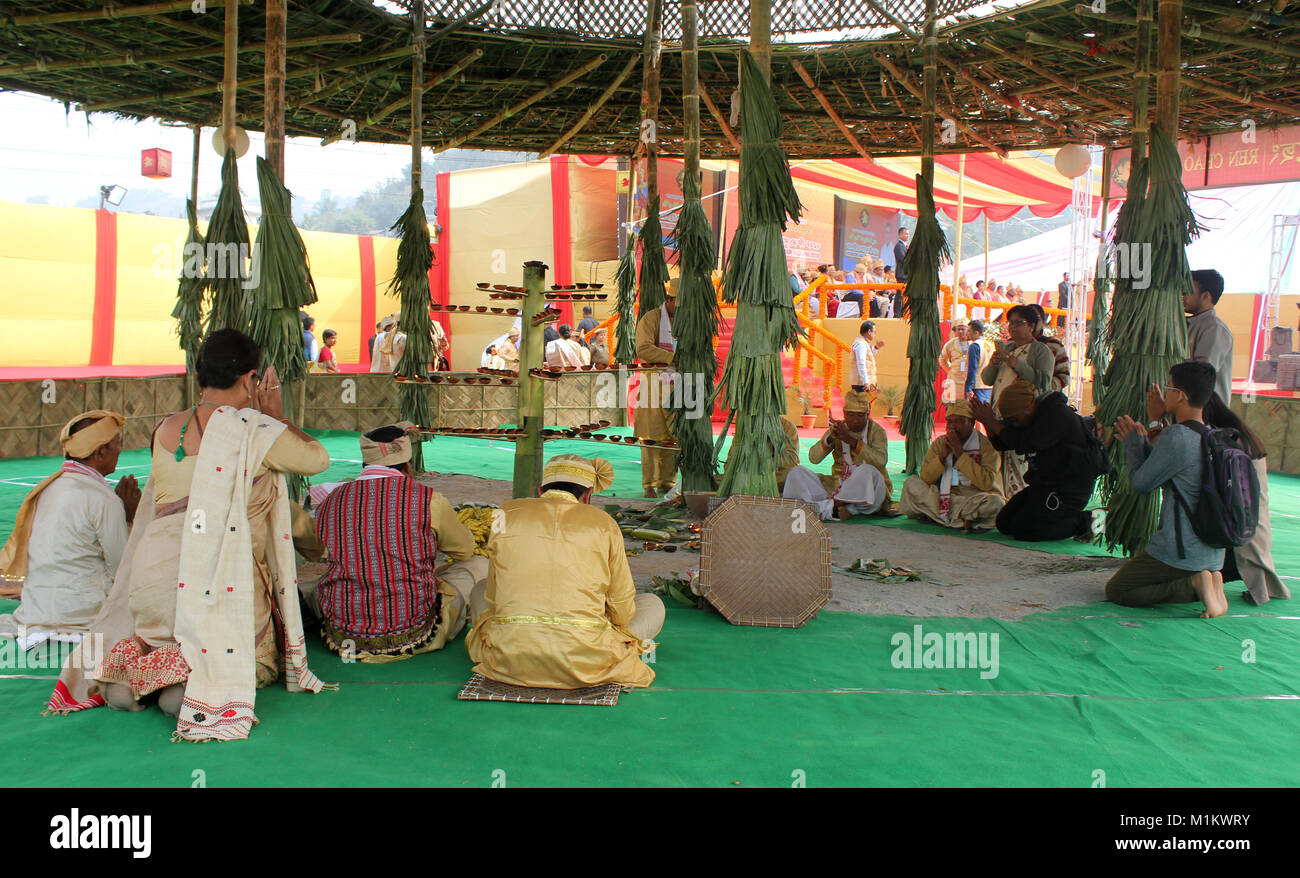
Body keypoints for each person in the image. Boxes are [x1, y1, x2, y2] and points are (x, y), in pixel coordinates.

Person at [50, 330, 330, 734]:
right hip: (209, 581)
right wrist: (276, 416)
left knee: (165, 636)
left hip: (152, 583)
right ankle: (186, 689)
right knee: (249, 658)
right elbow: (316, 459)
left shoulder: (165, 429)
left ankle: (138, 677)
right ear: (250, 379)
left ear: (199, 374)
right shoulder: (253, 429)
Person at [467, 454, 664, 689]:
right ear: (588, 494)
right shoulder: (604, 522)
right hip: (587, 660)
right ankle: (607, 651)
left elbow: (494, 598)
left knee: (479, 587)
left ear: (541, 490)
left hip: (508, 656)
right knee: (652, 604)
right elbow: (621, 607)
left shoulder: (504, 513)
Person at [312, 423, 487, 662]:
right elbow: (463, 551)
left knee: (314, 585)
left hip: (342, 636)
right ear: (407, 466)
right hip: (413, 632)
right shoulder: (428, 500)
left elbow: (322, 550)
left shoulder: (330, 500)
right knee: (478, 566)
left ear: (365, 465)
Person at [0, 411, 140, 641]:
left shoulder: (47, 490)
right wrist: (128, 518)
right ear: (100, 452)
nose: (119, 450)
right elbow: (122, 568)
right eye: (117, 444)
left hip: (36, 610)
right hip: (82, 615)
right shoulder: (105, 500)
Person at [1105, 362, 1228, 618]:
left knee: (1118, 590)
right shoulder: (1211, 436)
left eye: (1169, 388)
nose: (1164, 394)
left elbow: (1141, 483)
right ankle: (1210, 582)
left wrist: (1133, 445)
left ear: (1180, 395)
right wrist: (1151, 428)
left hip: (1181, 551)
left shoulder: (1178, 436)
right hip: (1213, 550)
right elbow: (1168, 469)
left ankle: (1194, 585)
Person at [971, 381, 1101, 541]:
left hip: (1070, 490)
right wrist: (986, 422)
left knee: (1026, 530)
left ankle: (1090, 520)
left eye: (1014, 420)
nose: (1013, 424)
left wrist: (992, 422)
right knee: (1004, 523)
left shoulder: (1056, 415)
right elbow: (1002, 443)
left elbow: (1026, 442)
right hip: (1044, 485)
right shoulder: (1028, 415)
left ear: (1027, 409)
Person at [1198, 390, 1288, 606]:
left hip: (1241, 520)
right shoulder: (1241, 433)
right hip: (1253, 518)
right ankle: (1260, 584)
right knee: (1255, 545)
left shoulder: (1222, 438)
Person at [782, 389, 894, 520]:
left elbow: (880, 461)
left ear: (867, 415)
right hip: (837, 486)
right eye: (851, 415)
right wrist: (829, 440)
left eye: (860, 416)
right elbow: (813, 458)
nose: (855, 420)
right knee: (797, 472)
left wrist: (852, 442)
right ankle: (838, 508)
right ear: (844, 414)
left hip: (868, 489)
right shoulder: (839, 428)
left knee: (867, 471)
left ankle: (827, 508)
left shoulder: (877, 432)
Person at [899, 400, 1004, 531]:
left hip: (975, 497)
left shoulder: (987, 445)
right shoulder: (941, 443)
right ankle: (964, 519)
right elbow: (925, 478)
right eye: (950, 422)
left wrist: (960, 454)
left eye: (959, 421)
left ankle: (938, 515)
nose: (953, 426)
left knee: (996, 504)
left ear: (971, 423)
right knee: (911, 484)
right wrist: (942, 456)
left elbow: (986, 483)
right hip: (943, 495)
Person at [634, 280, 679, 497]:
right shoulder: (651, 318)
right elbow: (643, 348)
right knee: (650, 436)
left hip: (680, 382)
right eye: (678, 305)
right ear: (669, 300)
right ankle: (649, 484)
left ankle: (668, 482)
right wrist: (674, 357)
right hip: (654, 382)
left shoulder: (686, 320)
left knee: (674, 436)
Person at [981, 305, 1054, 404]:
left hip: (1023, 413)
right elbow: (987, 381)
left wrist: (1017, 364)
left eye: (1019, 323)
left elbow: (1044, 383)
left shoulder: (1041, 350)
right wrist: (993, 364)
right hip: (998, 410)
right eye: (1011, 322)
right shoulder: (1007, 348)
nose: (1013, 326)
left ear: (1031, 327)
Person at [1184, 268, 1233, 408]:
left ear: (1206, 296)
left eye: (1189, 291)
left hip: (1207, 415)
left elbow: (1202, 374)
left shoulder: (1215, 328)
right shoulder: (1188, 324)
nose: (1183, 295)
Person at [1030, 304, 1069, 393]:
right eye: (1027, 320)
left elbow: (1064, 376)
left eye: (1037, 319)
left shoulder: (1053, 345)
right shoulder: (1012, 345)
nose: (1032, 323)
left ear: (1044, 322)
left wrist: (1043, 391)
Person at [963, 319, 995, 404]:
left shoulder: (974, 346)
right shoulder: (990, 345)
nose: (967, 333)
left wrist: (968, 388)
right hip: (989, 386)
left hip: (977, 386)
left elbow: (972, 368)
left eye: (969, 331)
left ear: (976, 333)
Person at [939, 320, 970, 403]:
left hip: (968, 379)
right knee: (952, 405)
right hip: (954, 379)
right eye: (958, 329)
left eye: (962, 329)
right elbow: (942, 359)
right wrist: (950, 370)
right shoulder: (951, 343)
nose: (960, 331)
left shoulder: (973, 343)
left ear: (968, 330)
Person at [849, 320, 881, 397]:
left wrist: (876, 347)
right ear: (869, 331)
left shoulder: (863, 342)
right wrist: (865, 382)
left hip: (864, 382)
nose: (875, 334)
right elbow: (861, 363)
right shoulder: (861, 344)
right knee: (861, 406)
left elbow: (868, 357)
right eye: (874, 332)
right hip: (861, 383)